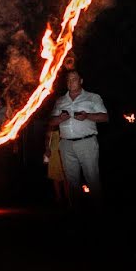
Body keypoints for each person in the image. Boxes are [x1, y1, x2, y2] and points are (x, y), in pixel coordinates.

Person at [49, 70, 109, 204]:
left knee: (92, 178)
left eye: (74, 79)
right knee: (71, 181)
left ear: (81, 81)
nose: (71, 82)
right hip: (65, 144)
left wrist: (87, 116)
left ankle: (98, 210)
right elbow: (51, 121)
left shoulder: (92, 97)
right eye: (68, 80)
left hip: (86, 142)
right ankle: (75, 212)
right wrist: (59, 118)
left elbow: (105, 117)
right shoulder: (60, 101)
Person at [44, 124, 69, 207]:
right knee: (55, 176)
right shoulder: (52, 124)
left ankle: (68, 197)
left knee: (65, 176)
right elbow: (47, 138)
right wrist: (47, 149)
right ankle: (59, 198)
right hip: (54, 152)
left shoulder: (66, 123)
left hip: (64, 151)